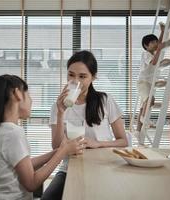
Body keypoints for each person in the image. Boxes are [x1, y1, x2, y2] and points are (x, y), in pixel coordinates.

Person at [0, 74, 85, 200]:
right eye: (28, 95)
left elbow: (24, 165)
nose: (31, 100)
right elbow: (31, 183)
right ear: (17, 93)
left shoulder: (3, 130)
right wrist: (63, 152)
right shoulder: (13, 133)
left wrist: (60, 150)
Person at [41, 50, 128, 200]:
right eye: (71, 75)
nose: (76, 81)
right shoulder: (58, 106)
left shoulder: (105, 101)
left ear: (93, 77)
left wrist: (98, 143)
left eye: (82, 76)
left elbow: (123, 141)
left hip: (104, 167)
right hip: (69, 169)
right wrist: (61, 113)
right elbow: (56, 147)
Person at [136, 22, 166, 139]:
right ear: (146, 45)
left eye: (156, 41)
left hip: (149, 83)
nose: (156, 44)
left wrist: (163, 32)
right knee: (150, 100)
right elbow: (153, 61)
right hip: (143, 82)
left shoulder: (154, 53)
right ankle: (145, 119)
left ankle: (138, 131)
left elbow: (159, 45)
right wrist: (159, 49)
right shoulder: (146, 54)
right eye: (152, 42)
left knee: (143, 106)